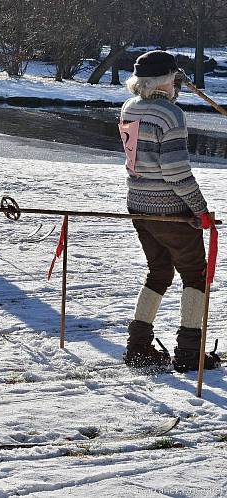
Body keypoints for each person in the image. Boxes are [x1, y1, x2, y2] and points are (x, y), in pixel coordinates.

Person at [119, 50, 221, 373]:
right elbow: (176, 173)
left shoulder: (128, 108)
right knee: (195, 274)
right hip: (170, 212)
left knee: (159, 272)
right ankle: (190, 353)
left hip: (139, 208)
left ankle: (137, 347)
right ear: (166, 81)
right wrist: (200, 209)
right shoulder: (170, 115)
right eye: (175, 78)